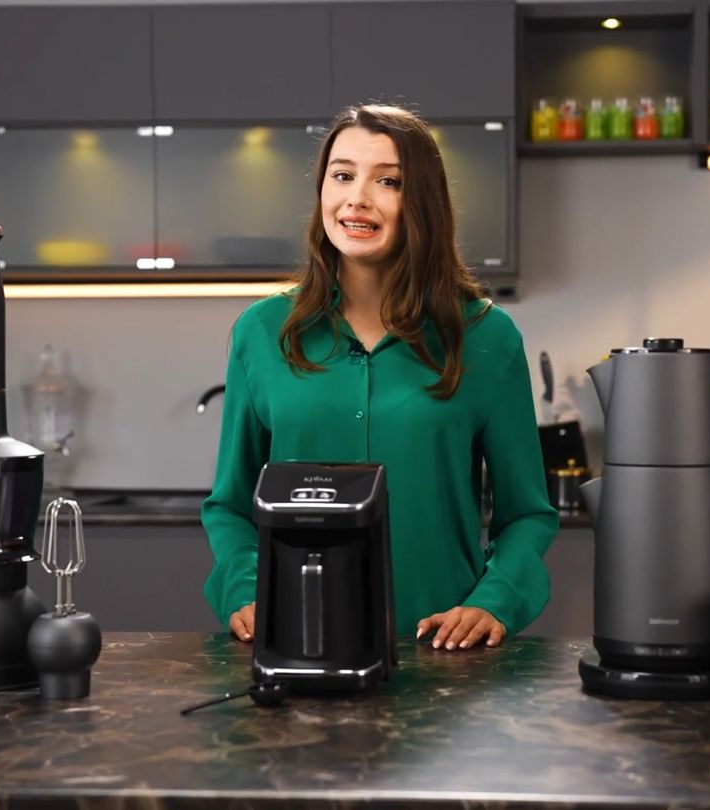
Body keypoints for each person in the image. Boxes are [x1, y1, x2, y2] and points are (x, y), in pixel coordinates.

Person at [201, 104, 558, 652]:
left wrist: (494, 600)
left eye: (388, 181)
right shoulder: (262, 331)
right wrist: (245, 591)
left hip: (441, 652)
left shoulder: (487, 336)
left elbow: (528, 513)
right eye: (342, 175)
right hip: (296, 640)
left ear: (424, 201)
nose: (357, 199)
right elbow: (230, 505)